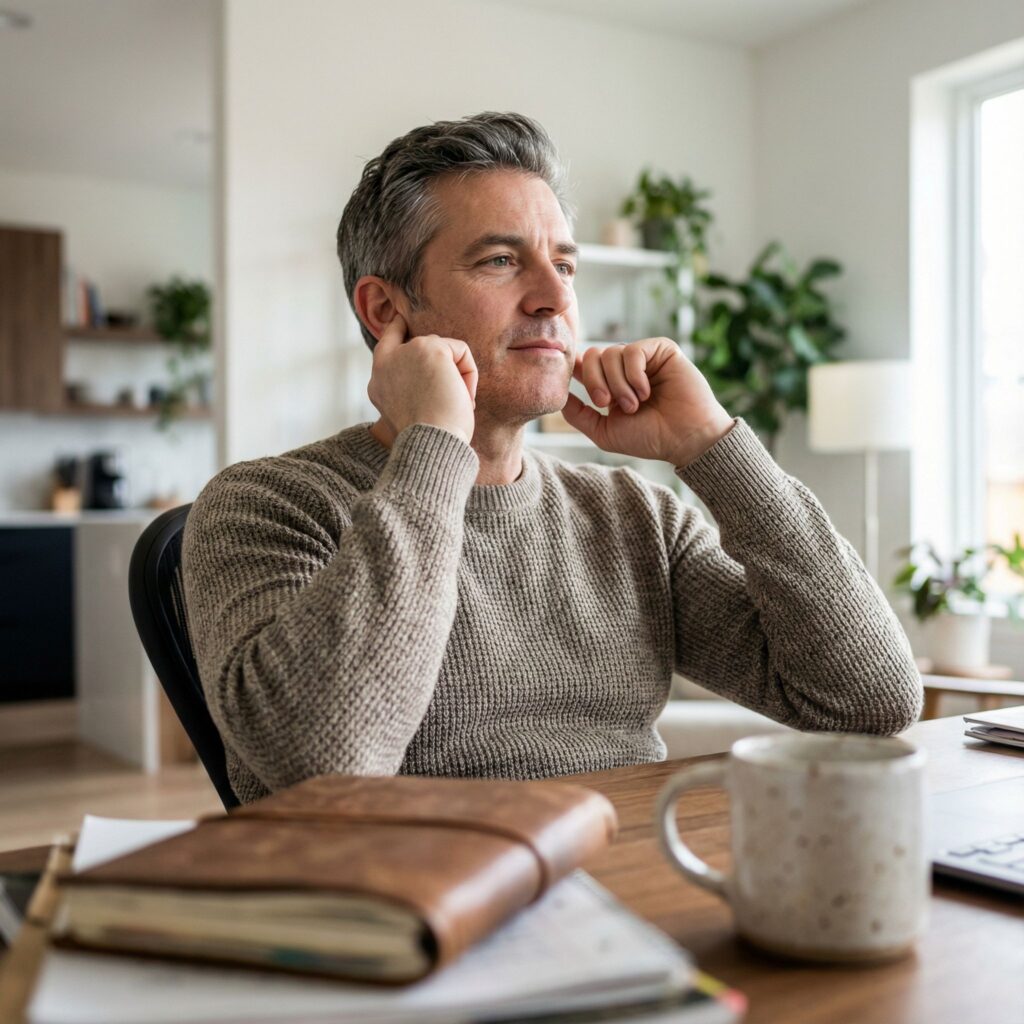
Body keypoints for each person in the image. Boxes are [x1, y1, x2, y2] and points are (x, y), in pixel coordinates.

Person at [182, 112, 922, 804]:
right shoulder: (266, 503)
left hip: (632, 885)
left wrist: (713, 448)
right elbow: (322, 770)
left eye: (564, 266)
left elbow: (869, 700)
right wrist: (435, 447)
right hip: (417, 911)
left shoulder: (636, 516)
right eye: (501, 260)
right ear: (385, 311)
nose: (552, 298)